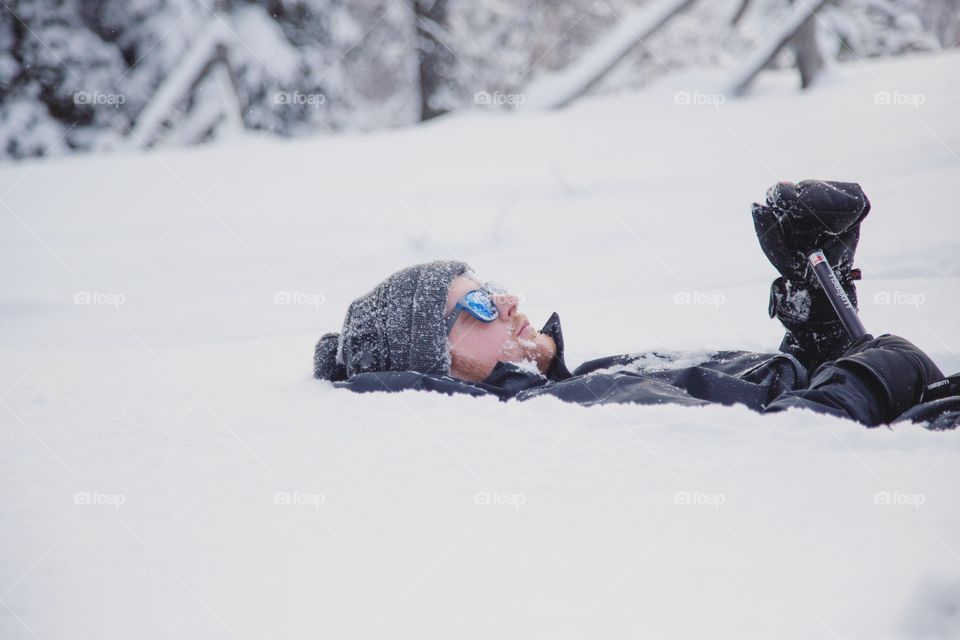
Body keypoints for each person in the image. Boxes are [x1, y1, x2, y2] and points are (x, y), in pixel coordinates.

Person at [313, 180, 959, 429]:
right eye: (476, 306)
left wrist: (817, 302)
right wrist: (884, 369)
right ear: (436, 365)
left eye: (490, 284)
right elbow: (797, 437)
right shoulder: (568, 417)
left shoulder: (586, 377)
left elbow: (764, 400)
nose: (507, 301)